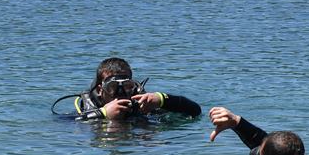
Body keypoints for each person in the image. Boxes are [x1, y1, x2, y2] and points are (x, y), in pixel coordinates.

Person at [55, 57, 201, 120]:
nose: (120, 94)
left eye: (126, 87)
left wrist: (162, 99)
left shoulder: (143, 105)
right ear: (100, 89)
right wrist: (103, 114)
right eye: (112, 87)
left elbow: (195, 111)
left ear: (134, 87)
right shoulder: (86, 112)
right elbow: (61, 124)